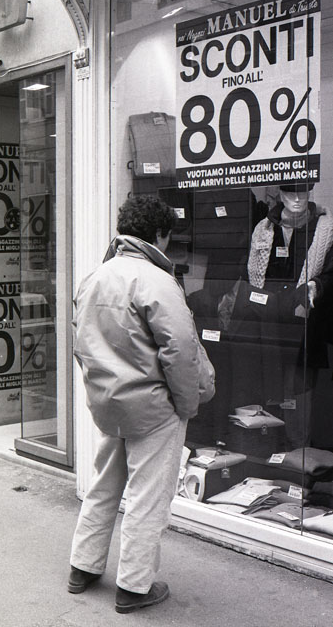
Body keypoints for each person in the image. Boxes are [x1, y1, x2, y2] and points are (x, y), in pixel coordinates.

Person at [68, 195, 202, 613]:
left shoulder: (95, 277)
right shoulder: (158, 281)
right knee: (148, 498)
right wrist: (186, 405)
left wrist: (101, 388)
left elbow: (80, 343)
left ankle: (82, 567)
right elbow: (181, 351)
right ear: (160, 234)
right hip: (153, 407)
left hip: (109, 403)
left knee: (104, 486)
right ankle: (134, 587)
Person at [245, 182, 333, 447]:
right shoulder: (263, 228)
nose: (297, 198)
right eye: (290, 193)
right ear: (280, 195)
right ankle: (272, 447)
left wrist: (316, 285)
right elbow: (252, 275)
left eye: (302, 192)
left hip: (306, 322)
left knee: (301, 388)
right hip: (268, 319)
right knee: (268, 384)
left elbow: (331, 272)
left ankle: (299, 449)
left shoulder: (325, 228)